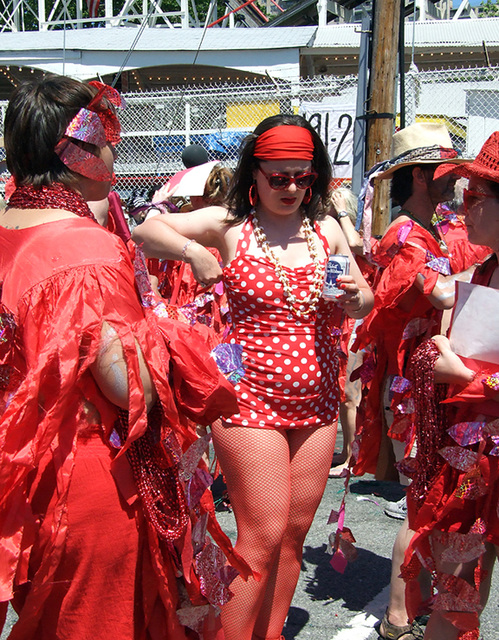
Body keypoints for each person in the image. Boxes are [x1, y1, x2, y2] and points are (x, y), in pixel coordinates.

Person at [0, 74, 246, 640]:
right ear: (80, 152)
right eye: (109, 138)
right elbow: (129, 383)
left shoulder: (10, 229)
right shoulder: (84, 246)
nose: (115, 150)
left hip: (24, 475)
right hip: (90, 481)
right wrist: (179, 333)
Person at [133, 113, 374, 640]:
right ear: (255, 175)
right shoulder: (229, 225)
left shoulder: (327, 229)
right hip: (248, 400)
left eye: (303, 177)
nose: (291, 188)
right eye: (279, 177)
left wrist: (359, 298)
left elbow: (364, 297)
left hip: (315, 403)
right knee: (261, 534)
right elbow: (143, 230)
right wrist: (194, 251)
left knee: (291, 536)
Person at [401, 130, 499, 640]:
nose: (463, 207)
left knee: (460, 586)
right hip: (476, 460)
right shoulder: (485, 272)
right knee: (459, 587)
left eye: (477, 196)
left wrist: (467, 377)